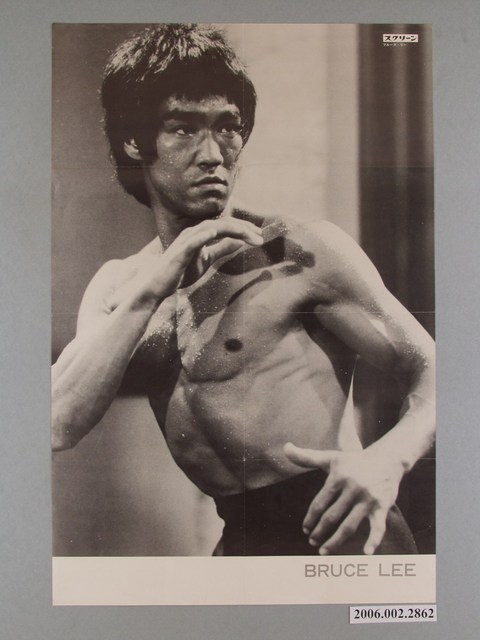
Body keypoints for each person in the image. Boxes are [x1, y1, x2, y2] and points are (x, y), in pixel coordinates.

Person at [52, 24, 435, 556]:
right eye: (184, 128)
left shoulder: (298, 250)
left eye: (227, 127)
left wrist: (387, 460)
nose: (213, 153)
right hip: (241, 538)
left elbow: (439, 372)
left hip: (342, 526)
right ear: (134, 141)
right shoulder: (119, 286)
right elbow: (57, 424)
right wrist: (154, 286)